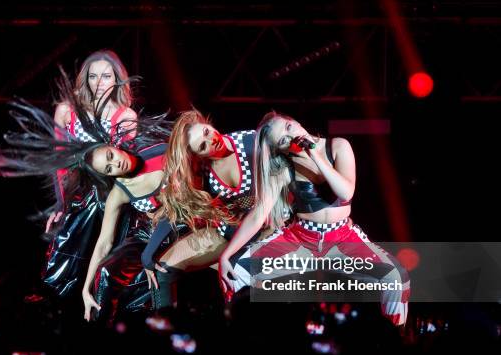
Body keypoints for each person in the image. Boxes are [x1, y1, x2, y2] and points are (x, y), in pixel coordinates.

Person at [0, 99, 169, 323]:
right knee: (109, 273)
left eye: (111, 157)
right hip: (159, 234)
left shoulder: (156, 149)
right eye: (109, 169)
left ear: (114, 146)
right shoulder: (119, 192)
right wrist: (85, 288)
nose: (116, 165)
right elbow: (104, 242)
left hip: (188, 219)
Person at [218, 112, 410, 326]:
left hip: (342, 238)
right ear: (280, 150)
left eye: (289, 128)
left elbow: (346, 192)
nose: (292, 138)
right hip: (300, 239)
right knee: (235, 274)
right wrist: (226, 255)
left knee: (395, 278)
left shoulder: (337, 146)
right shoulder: (284, 165)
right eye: (284, 141)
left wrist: (315, 154)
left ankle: (393, 344)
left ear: (295, 121)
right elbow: (259, 213)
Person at [43, 50, 138, 298]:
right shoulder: (67, 110)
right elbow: (59, 162)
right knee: (65, 262)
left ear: (117, 79)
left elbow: (124, 166)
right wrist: (60, 203)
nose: (98, 83)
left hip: (110, 197)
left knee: (108, 268)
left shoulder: (126, 116)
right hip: (76, 196)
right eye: (93, 76)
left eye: (106, 76)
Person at [142, 109, 261, 307]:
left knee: (244, 274)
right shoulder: (203, 172)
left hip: (267, 227)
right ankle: (170, 334)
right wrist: (147, 254)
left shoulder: (250, 142)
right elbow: (175, 211)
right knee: (162, 269)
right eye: (202, 146)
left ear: (208, 123)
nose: (211, 140)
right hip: (230, 233)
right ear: (198, 156)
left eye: (206, 132)